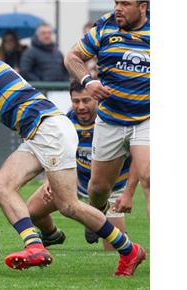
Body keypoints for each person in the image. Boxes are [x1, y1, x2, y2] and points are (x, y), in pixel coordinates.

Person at [0, 16, 145, 276]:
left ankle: (129, 250)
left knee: (69, 206)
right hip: (38, 133)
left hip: (48, 130)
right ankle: (35, 246)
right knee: (1, 186)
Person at [26, 80, 137, 251]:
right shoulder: (66, 121)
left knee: (113, 251)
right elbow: (54, 151)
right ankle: (52, 234)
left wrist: (128, 193)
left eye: (86, 100)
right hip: (75, 184)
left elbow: (138, 159)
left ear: (97, 99)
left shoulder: (113, 123)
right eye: (76, 101)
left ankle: (94, 215)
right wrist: (51, 179)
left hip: (111, 190)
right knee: (31, 212)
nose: (81, 106)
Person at [64, 1, 150, 220]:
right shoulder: (105, 27)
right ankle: (96, 213)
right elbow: (72, 57)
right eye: (116, 3)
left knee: (150, 178)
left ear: (142, 7)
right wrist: (88, 81)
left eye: (125, 3)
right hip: (110, 118)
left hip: (147, 118)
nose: (118, 8)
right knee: (99, 189)